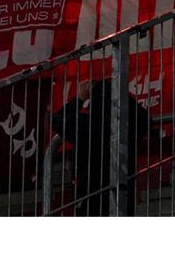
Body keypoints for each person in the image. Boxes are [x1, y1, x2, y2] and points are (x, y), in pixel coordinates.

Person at [50, 79, 154, 216]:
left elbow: (56, 119)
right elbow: (147, 119)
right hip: (121, 196)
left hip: (90, 198)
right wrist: (121, 95)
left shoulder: (85, 124)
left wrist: (80, 98)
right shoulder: (127, 127)